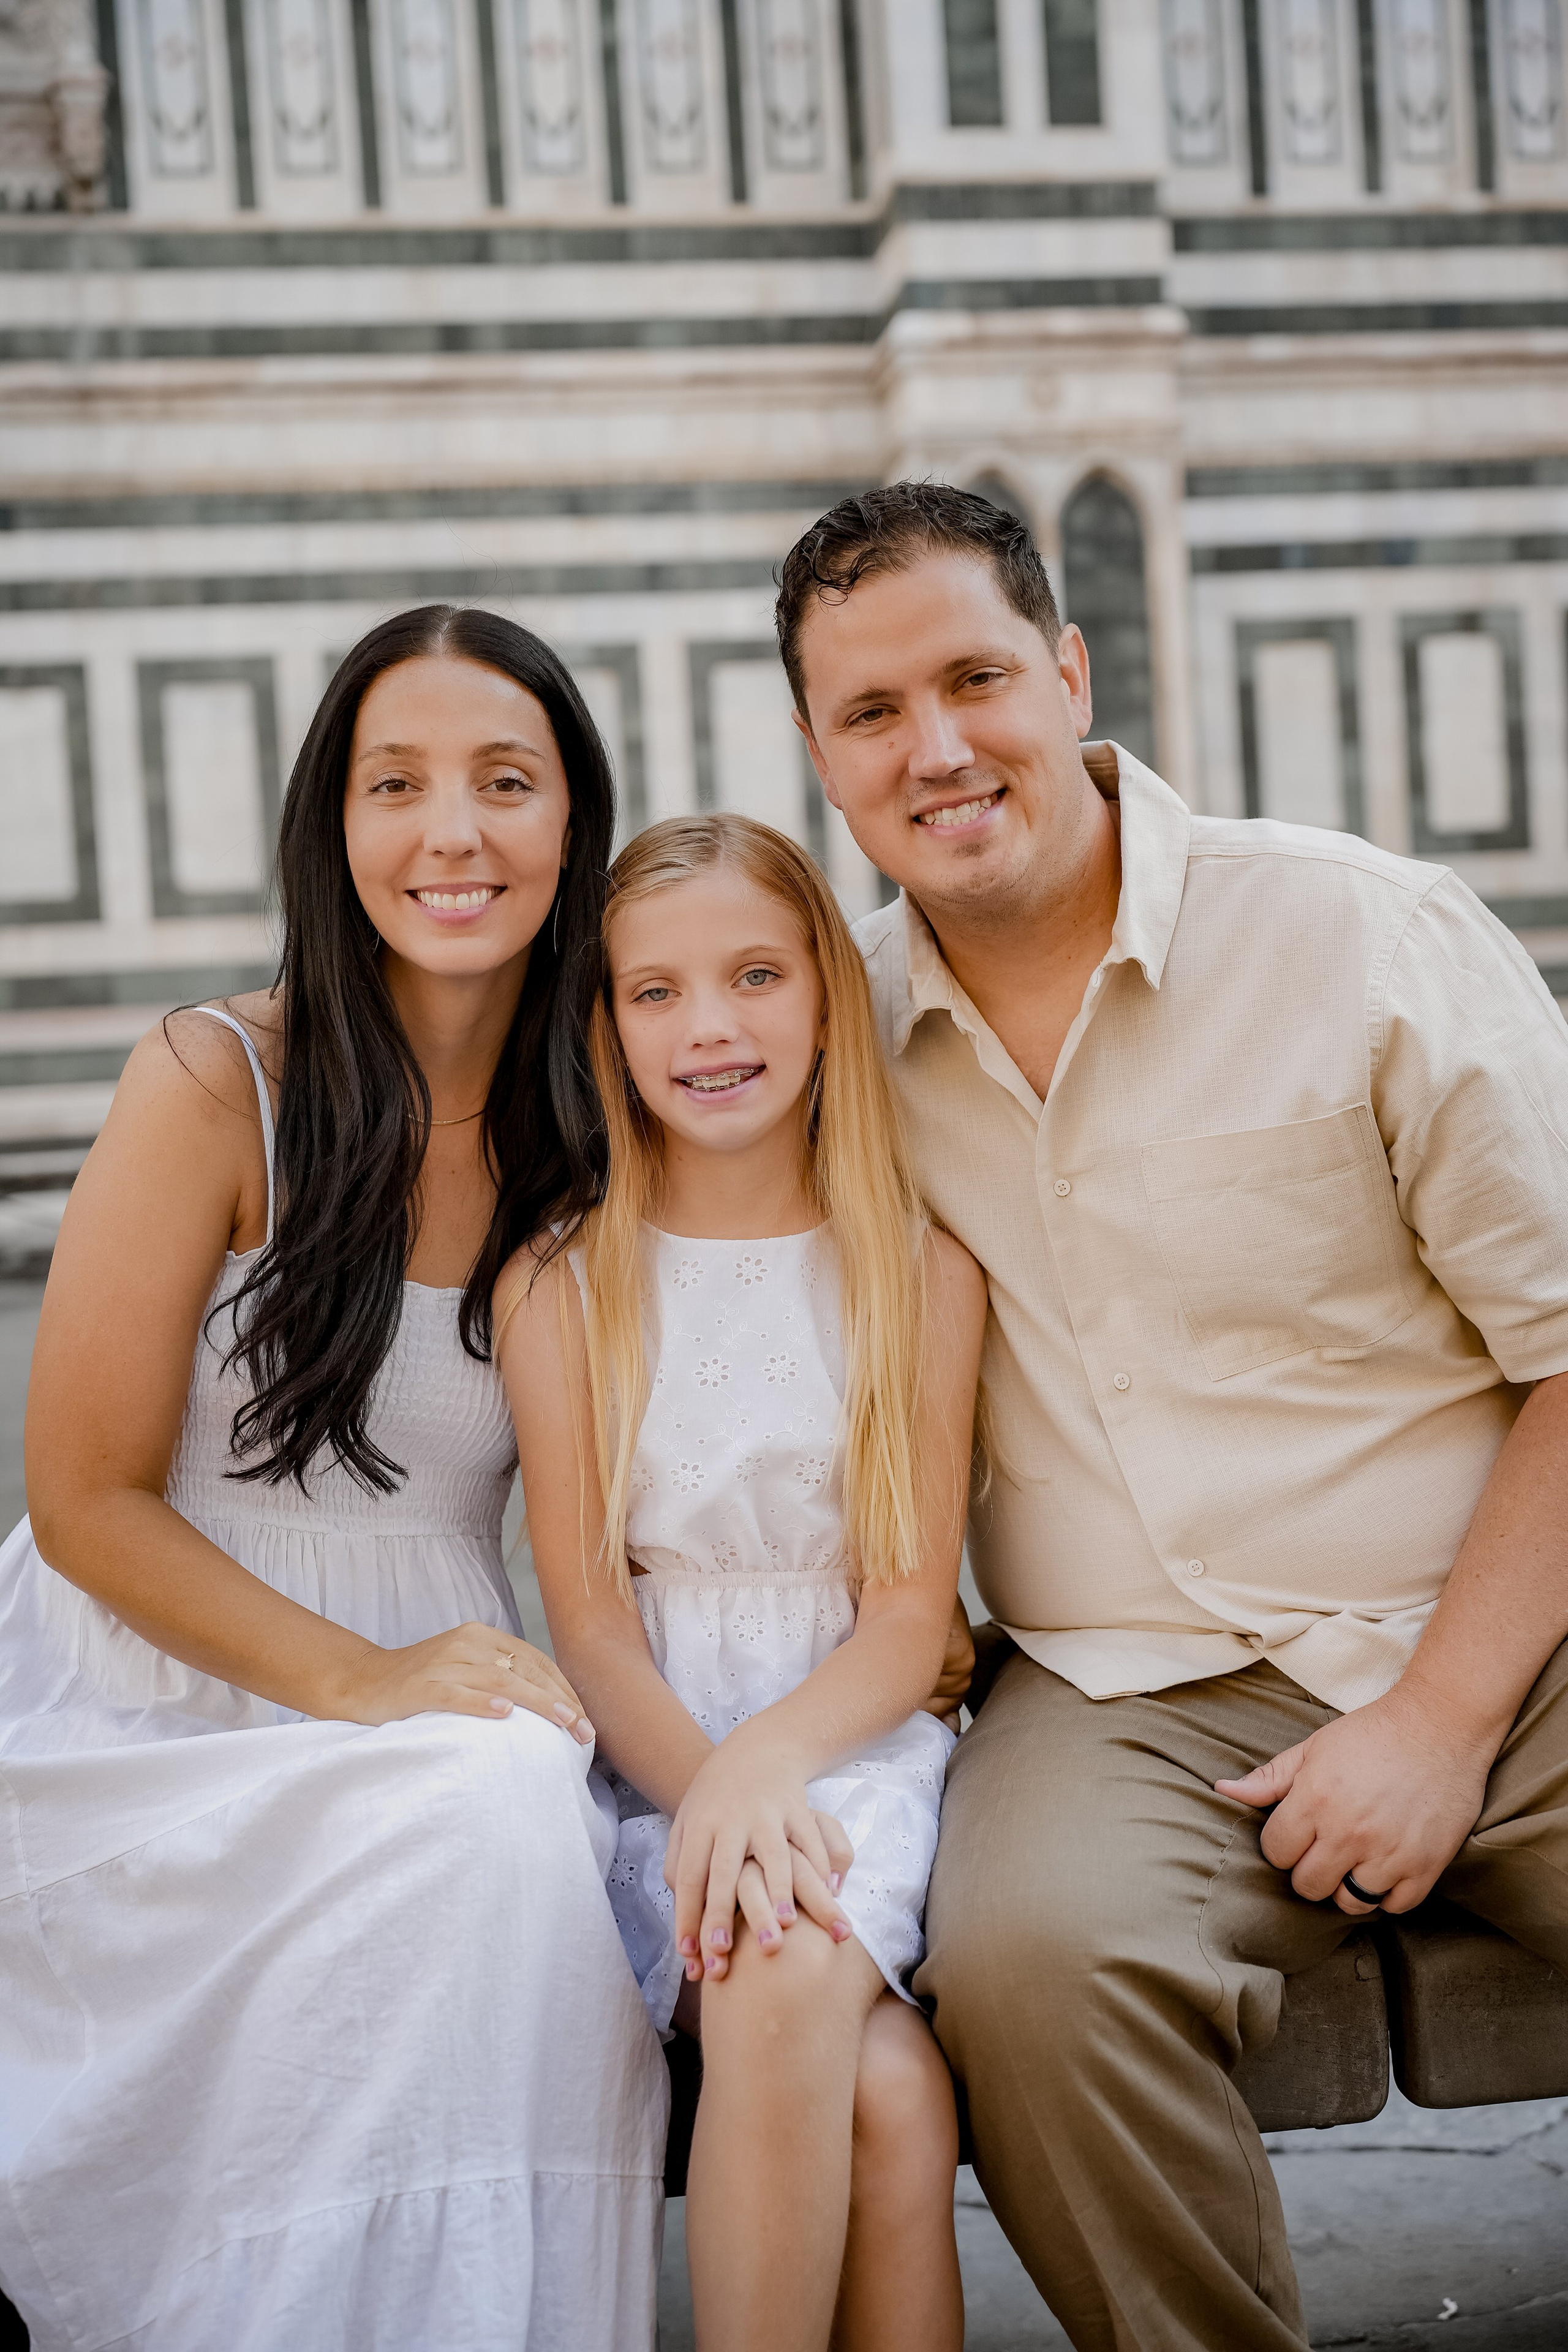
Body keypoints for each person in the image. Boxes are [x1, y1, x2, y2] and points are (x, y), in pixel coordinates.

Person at [773, 481, 1568, 2352]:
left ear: (1070, 671)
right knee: (1034, 1968)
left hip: (1511, 1634)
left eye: (975, 679)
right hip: (1121, 1685)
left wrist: (1443, 1716)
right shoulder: (834, 1045)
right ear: (820, 756)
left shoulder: (1361, 934)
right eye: (871, 714)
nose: (939, 749)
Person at [0, 606, 669, 2350]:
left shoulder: (600, 1121)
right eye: (399, 784)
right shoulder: (219, 1082)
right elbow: (82, 1499)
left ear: (572, 826)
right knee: (483, 1813)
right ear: (336, 825)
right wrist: (363, 1686)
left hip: (451, 1673)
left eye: (505, 781)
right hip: (158, 1692)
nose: (453, 832)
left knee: (510, 1825)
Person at [496, 814, 986, 2352]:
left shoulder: (915, 1271)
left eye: (755, 974)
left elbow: (911, 1611)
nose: (708, 1026)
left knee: (783, 1960)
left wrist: (773, 1770)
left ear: (829, 996)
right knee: (891, 2101)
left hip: (853, 1750)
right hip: (660, 1759)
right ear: (604, 1027)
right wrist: (714, 1789)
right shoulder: (563, 1282)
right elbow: (585, 1618)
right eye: (654, 993)